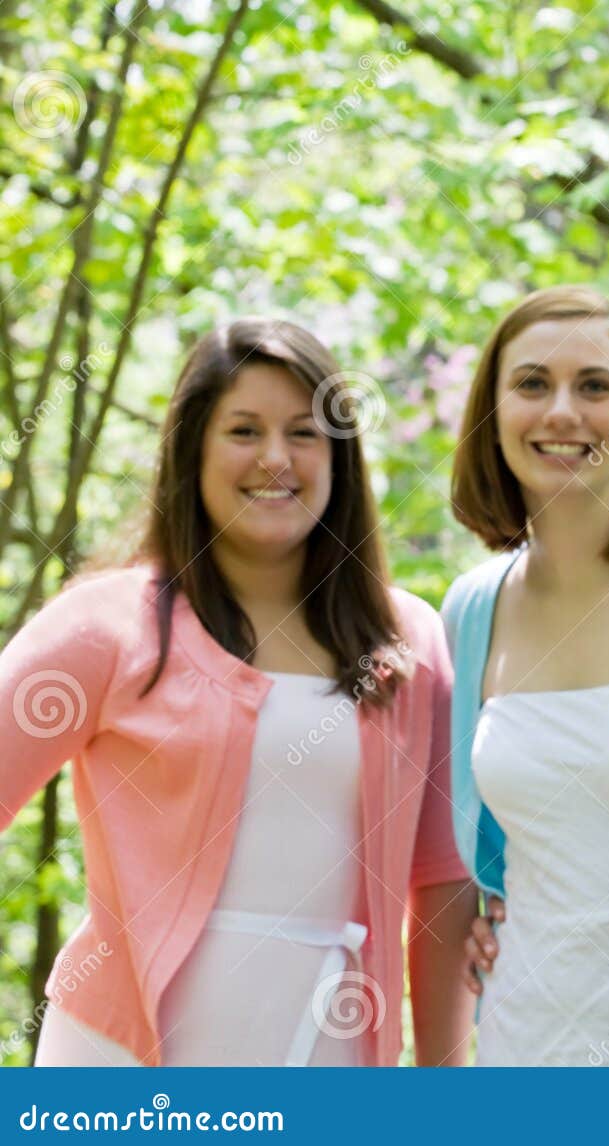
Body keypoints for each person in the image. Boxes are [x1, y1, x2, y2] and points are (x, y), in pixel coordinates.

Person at [1, 319, 475, 1066]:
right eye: (244, 430)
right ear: (193, 450)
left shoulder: (409, 643)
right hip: (118, 1066)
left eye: (304, 433)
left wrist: (444, 1085)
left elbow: (443, 881)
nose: (276, 459)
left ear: (340, 457)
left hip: (328, 1060)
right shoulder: (107, 625)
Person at [445, 286, 609, 1065]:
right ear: (493, 414)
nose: (562, 411)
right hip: (520, 1041)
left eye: (594, 385)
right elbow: (479, 848)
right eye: (532, 384)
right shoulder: (472, 609)